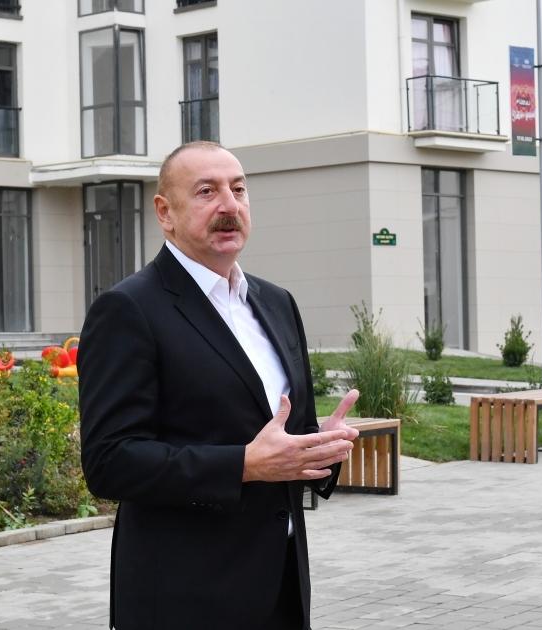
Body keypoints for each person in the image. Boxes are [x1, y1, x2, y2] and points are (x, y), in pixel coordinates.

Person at [78, 141, 361, 630]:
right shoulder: (129, 309)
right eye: (207, 191)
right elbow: (110, 461)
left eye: (239, 189)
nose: (229, 205)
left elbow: (279, 439)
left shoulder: (276, 302)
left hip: (281, 588)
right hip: (184, 597)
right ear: (165, 213)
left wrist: (317, 450)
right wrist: (244, 465)